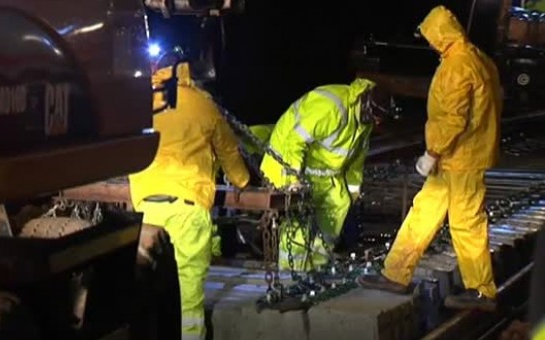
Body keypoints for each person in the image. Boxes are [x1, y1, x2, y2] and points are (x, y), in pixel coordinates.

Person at [357, 5, 502, 312]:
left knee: (466, 224)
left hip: (461, 159)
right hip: (459, 158)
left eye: (429, 37)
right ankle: (395, 273)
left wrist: (432, 152)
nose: (428, 42)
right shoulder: (477, 59)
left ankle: (481, 290)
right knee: (424, 213)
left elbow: (453, 119)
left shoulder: (458, 66)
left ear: (439, 35)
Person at [129, 57, 250, 340]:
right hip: (187, 210)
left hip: (146, 208)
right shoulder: (202, 104)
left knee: (146, 291)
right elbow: (229, 153)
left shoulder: (142, 102)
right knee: (188, 298)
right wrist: (242, 181)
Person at [259, 78, 391, 272]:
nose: (376, 123)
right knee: (300, 217)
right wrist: (293, 180)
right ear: (366, 105)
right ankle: (291, 271)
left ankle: (317, 265)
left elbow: (355, 160)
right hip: (287, 162)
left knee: (339, 203)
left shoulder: (363, 123)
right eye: (376, 118)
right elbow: (294, 141)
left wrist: (354, 190)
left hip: (320, 172)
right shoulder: (331, 108)